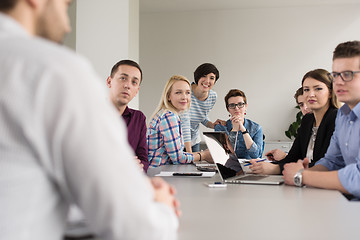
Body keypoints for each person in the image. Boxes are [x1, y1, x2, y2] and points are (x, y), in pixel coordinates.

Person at [0, 1, 179, 239]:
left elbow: (21, 187)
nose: (67, 19)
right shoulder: (53, 70)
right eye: (65, 4)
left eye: (134, 81)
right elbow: (135, 227)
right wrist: (161, 205)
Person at [283, 41, 360, 199]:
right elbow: (332, 161)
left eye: (347, 74)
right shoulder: (343, 116)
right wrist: (305, 172)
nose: (338, 81)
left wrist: (301, 176)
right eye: (335, 75)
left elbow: (357, 178)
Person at [251, 69, 340, 175]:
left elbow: (328, 165)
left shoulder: (338, 118)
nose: (310, 94)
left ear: (330, 92)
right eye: (306, 90)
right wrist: (264, 166)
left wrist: (277, 169)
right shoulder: (307, 120)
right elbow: (292, 159)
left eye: (318, 89)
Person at [147, 75, 212, 167]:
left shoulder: (170, 114)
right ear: (168, 96)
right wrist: (204, 155)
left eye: (188, 93)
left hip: (162, 171)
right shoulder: (168, 117)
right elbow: (178, 158)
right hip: (157, 173)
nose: (184, 97)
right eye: (178, 92)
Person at [107, 60, 149, 172]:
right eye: (123, 78)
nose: (127, 85)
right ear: (109, 82)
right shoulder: (90, 114)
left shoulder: (139, 118)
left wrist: (139, 166)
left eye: (134, 82)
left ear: (136, 91)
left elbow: (144, 160)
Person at [179, 63, 221, 153]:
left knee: (193, 167)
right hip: (177, 140)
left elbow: (202, 116)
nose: (207, 81)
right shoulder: (186, 92)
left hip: (194, 140)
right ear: (197, 77)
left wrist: (212, 125)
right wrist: (189, 153)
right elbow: (184, 121)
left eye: (212, 78)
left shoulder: (213, 96)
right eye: (204, 76)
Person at [214, 89, 264, 159]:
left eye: (240, 104)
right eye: (232, 105)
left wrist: (243, 130)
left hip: (250, 166)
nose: (236, 108)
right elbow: (225, 154)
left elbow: (256, 155)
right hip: (228, 165)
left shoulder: (256, 128)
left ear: (245, 106)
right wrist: (234, 130)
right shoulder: (220, 127)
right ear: (228, 109)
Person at [266, 87, 312, 161]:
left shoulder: (330, 124)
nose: (305, 108)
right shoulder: (305, 127)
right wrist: (284, 157)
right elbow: (298, 158)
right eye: (301, 105)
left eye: (308, 102)